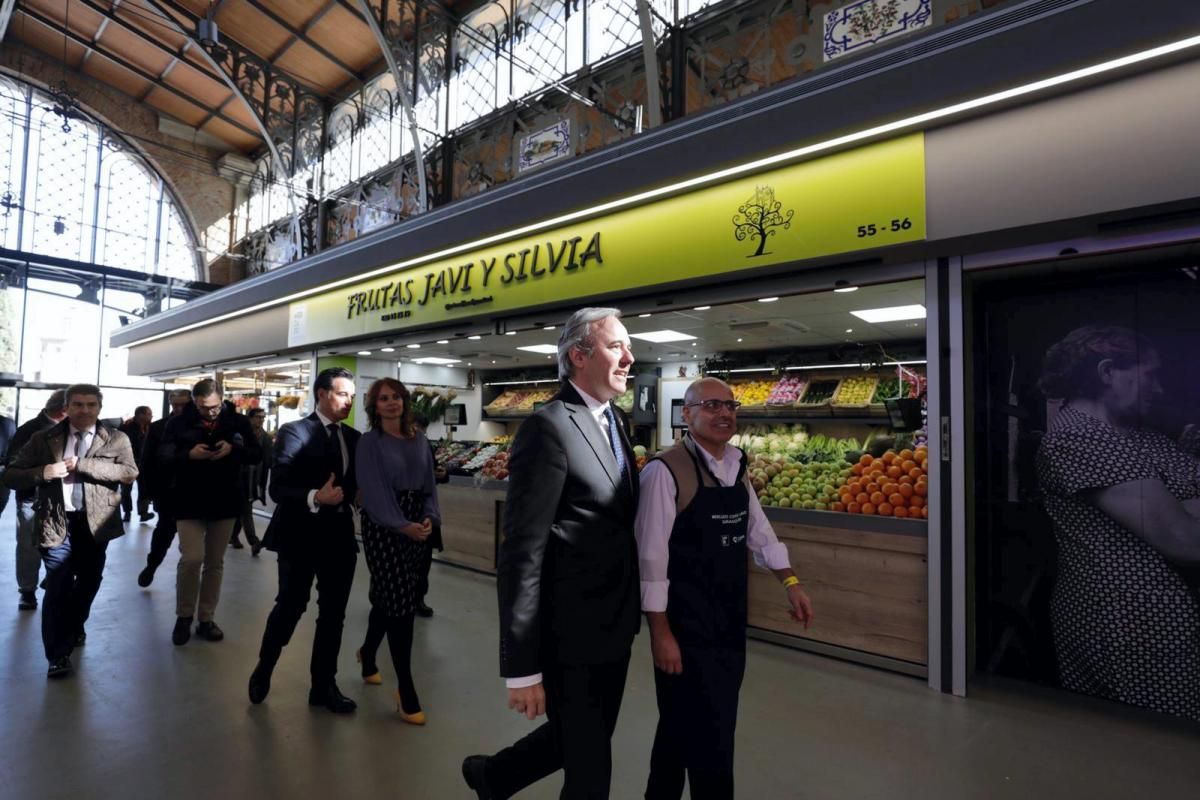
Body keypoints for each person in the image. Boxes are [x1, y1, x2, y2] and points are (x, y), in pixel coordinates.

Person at [463, 307, 640, 800]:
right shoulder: (547, 428)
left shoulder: (616, 421)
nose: (630, 356)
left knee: (580, 740)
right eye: (615, 346)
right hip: (569, 635)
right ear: (578, 356)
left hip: (615, 628)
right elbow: (522, 552)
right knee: (591, 774)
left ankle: (493, 777)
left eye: (628, 346)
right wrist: (521, 667)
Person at [636, 377, 814, 799]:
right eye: (711, 405)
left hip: (729, 622)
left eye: (730, 406)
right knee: (711, 736)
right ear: (687, 414)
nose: (724, 413)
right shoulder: (665, 471)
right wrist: (660, 634)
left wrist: (789, 580)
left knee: (681, 728)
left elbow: (759, 530)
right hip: (684, 625)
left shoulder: (737, 465)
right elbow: (650, 559)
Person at [1036, 325, 1200, 721]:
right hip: (1131, 629)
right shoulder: (1078, 438)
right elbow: (1188, 541)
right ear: (1108, 372)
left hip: (1168, 624)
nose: (1159, 389)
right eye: (1150, 375)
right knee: (1153, 755)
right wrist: (1184, 501)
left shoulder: (1140, 436)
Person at [2, 384, 137, 678]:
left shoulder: (116, 439)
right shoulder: (43, 438)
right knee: (59, 583)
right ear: (67, 407)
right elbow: (11, 475)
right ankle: (57, 654)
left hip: (96, 523)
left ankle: (75, 623)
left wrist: (85, 466)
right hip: (55, 521)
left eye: (91, 404)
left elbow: (128, 473)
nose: (84, 410)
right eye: (78, 404)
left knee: (89, 580)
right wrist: (43, 473)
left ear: (99, 408)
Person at [248, 367, 361, 714]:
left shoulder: (354, 438)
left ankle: (323, 685)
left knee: (333, 615)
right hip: (299, 535)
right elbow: (278, 487)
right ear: (323, 393)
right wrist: (315, 495)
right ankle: (265, 667)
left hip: (340, 538)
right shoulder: (295, 432)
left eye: (353, 397)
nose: (348, 402)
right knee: (291, 605)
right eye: (343, 394)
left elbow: (355, 483)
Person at [353, 379, 441, 724]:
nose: (391, 403)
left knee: (392, 598)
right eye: (383, 399)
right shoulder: (369, 443)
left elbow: (429, 485)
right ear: (374, 407)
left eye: (396, 397)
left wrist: (430, 518)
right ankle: (406, 690)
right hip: (383, 526)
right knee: (401, 606)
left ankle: (368, 653)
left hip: (417, 524)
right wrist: (400, 524)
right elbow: (373, 492)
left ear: (405, 401)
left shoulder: (419, 440)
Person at [161, 379, 260, 645]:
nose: (210, 412)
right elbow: (164, 455)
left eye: (214, 407)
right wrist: (188, 455)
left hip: (225, 499)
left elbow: (256, 453)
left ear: (223, 399)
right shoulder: (178, 423)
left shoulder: (238, 422)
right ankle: (184, 616)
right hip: (189, 499)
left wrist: (234, 449)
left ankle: (206, 618)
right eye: (204, 408)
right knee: (192, 559)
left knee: (215, 563)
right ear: (194, 402)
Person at [5, 390, 67, 611]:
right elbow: (12, 466)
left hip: (62, 499)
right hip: (32, 498)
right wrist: (46, 470)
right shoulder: (30, 430)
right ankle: (27, 591)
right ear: (64, 409)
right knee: (29, 546)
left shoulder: (71, 429)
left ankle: (53, 579)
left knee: (61, 544)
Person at [137, 390, 192, 588]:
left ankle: (184, 575)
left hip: (192, 492)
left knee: (190, 540)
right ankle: (152, 566)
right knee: (164, 532)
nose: (178, 409)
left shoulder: (199, 426)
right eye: (175, 405)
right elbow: (147, 460)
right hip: (166, 490)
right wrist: (146, 492)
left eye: (183, 405)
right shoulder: (159, 427)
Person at [411, 412, 448, 617]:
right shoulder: (392, 445)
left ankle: (418, 599)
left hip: (425, 510)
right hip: (404, 512)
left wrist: (442, 475)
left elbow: (433, 473)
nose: (419, 432)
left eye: (422, 429)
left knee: (423, 560)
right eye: (416, 427)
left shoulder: (425, 445)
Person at [229, 407, 272, 553]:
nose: (261, 420)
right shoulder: (239, 435)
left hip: (254, 481)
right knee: (245, 510)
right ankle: (254, 541)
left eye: (263, 417)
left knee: (241, 509)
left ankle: (233, 536)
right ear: (250, 418)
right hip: (238, 479)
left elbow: (266, 461)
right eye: (258, 417)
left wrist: (262, 483)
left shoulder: (265, 438)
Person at [119, 406, 154, 523]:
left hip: (144, 463)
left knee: (144, 488)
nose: (151, 416)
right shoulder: (126, 427)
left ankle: (143, 513)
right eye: (149, 414)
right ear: (140, 415)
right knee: (125, 490)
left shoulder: (151, 427)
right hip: (128, 462)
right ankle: (127, 512)